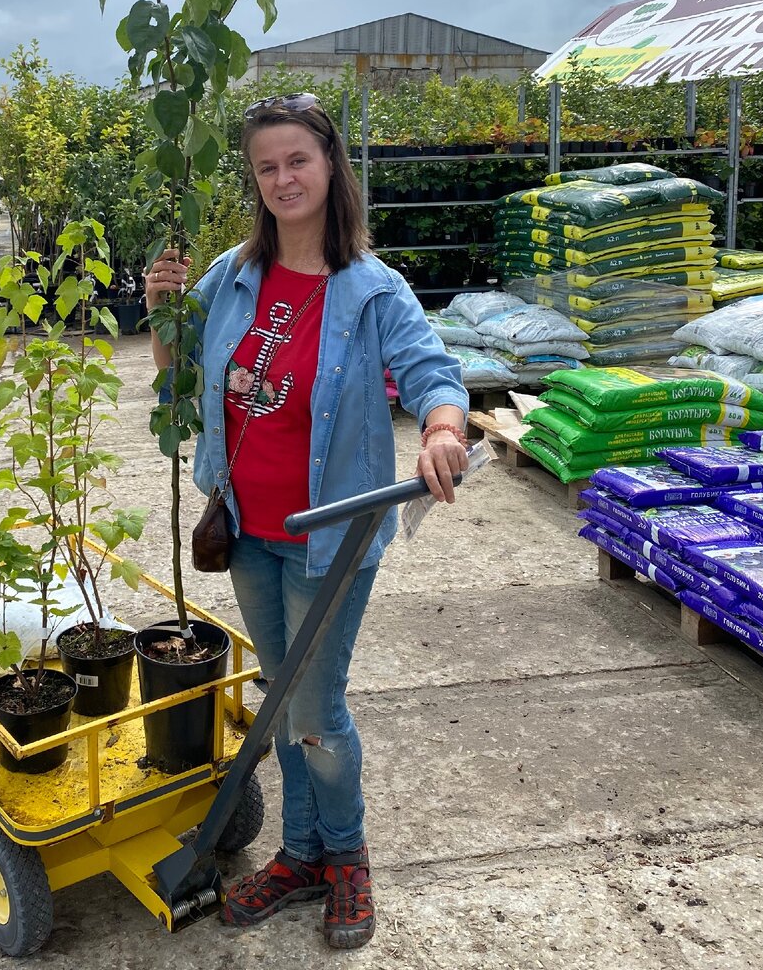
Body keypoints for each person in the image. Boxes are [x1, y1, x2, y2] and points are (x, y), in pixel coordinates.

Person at [145, 92, 469, 951]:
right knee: (281, 704)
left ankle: (347, 860)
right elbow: (178, 377)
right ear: (254, 180)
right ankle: (298, 855)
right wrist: (162, 312)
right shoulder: (234, 274)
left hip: (333, 536)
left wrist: (442, 429)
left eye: (298, 160)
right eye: (267, 166)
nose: (284, 178)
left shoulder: (372, 288)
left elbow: (433, 370)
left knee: (318, 711)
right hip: (248, 527)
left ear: (330, 165)